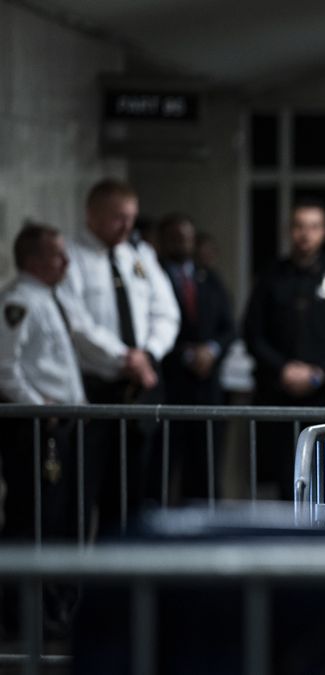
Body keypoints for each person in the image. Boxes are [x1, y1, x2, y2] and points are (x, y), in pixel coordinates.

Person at [58, 178, 180, 529]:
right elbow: (77, 323)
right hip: (95, 392)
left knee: (131, 495)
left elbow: (166, 312)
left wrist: (149, 353)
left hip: (139, 391)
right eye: (117, 218)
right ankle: (74, 580)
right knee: (81, 492)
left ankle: (121, 578)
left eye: (131, 217)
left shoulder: (138, 256)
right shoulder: (71, 256)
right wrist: (126, 358)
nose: (127, 226)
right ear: (92, 215)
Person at [242, 198, 325, 498]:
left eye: (313, 227)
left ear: (323, 232)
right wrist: (283, 369)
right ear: (289, 230)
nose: (305, 234)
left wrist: (320, 373)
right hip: (278, 395)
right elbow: (251, 332)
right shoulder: (271, 275)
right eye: (299, 226)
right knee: (285, 481)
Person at [0, 222, 86, 540]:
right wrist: (38, 407)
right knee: (35, 513)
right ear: (34, 261)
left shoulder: (49, 298)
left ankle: (55, 590)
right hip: (37, 427)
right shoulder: (19, 302)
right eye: (57, 255)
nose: (66, 262)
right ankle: (21, 589)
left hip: (60, 422)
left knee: (59, 512)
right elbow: (4, 368)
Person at [158, 213, 236, 501]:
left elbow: (229, 327)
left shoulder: (208, 278)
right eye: (175, 238)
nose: (182, 243)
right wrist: (185, 354)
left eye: (187, 238)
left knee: (205, 466)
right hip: (169, 386)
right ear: (163, 241)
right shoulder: (154, 276)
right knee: (163, 467)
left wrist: (212, 349)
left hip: (207, 387)